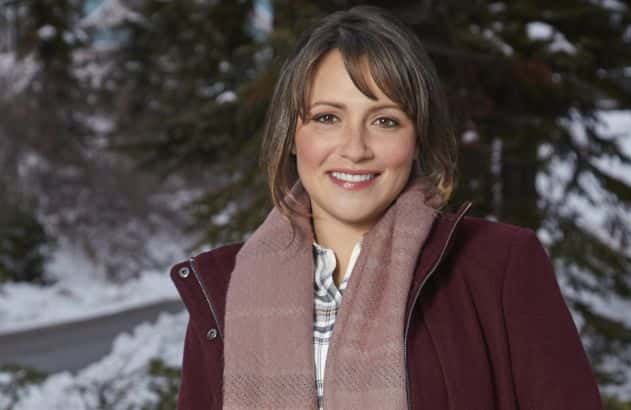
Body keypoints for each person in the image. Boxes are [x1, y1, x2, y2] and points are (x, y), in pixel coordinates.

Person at [170, 5, 603, 410]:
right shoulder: (223, 291)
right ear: (292, 136)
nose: (355, 148)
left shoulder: (498, 267)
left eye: (385, 121)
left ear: (417, 139)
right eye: (327, 118)